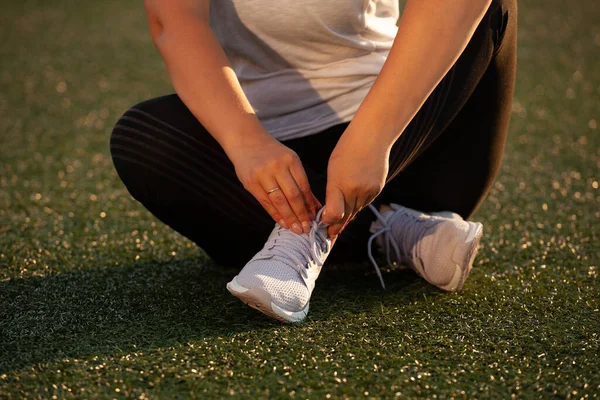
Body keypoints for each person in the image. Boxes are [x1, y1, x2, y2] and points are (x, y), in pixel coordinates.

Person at [110, 0, 517, 323]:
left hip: (409, 148)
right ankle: (386, 228)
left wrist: (372, 140)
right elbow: (173, 19)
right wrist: (247, 143)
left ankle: (301, 232)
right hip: (275, 158)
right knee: (143, 138)